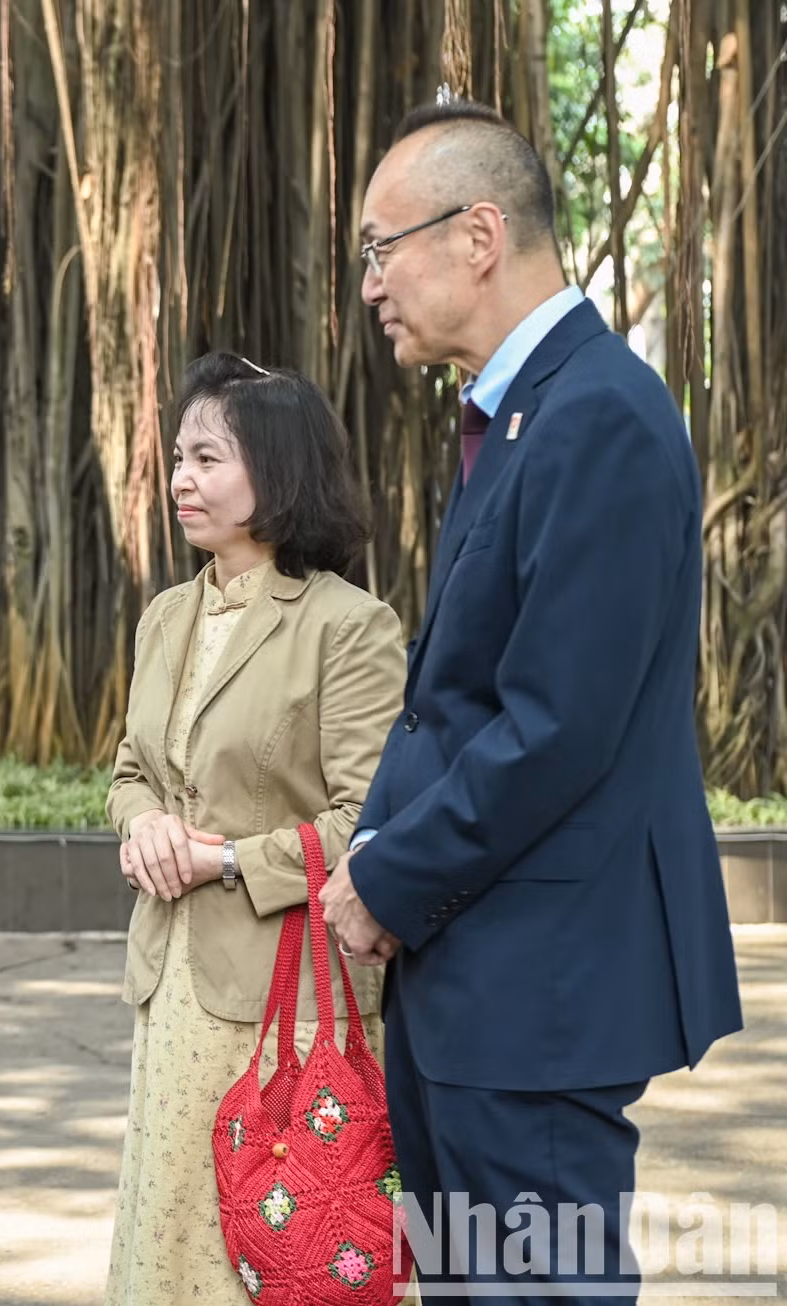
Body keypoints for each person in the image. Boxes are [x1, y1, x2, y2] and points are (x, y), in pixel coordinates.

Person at [322, 100, 743, 1297]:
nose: (370, 286)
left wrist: (391, 876)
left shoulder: (595, 416)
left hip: (539, 987)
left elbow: (557, 724)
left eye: (380, 246)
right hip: (486, 973)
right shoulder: (524, 414)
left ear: (479, 234)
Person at [104, 352, 406, 1304]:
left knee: (285, 1247)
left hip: (291, 995)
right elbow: (127, 768)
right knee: (173, 1242)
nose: (182, 480)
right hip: (172, 987)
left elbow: (371, 818)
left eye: (208, 458)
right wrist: (142, 821)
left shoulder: (349, 627)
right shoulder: (164, 617)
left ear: (277, 471)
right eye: (180, 458)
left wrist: (227, 859)